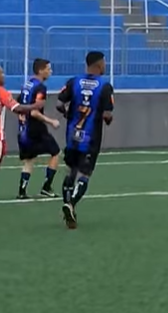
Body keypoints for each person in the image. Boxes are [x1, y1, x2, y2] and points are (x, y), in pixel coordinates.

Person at [56, 52, 114, 229]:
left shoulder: (73, 82)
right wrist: (107, 120)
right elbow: (107, 115)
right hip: (91, 138)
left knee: (70, 171)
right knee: (84, 174)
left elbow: (59, 104)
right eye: (104, 63)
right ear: (98, 64)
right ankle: (71, 204)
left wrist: (68, 114)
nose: (105, 66)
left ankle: (67, 206)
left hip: (72, 135)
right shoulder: (105, 86)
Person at [0, 64, 44, 208]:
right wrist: (35, 106)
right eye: (1, 73)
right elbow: (18, 108)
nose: (4, 76)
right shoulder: (0, 91)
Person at [17, 58, 62, 199]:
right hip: (35, 128)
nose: (50, 71)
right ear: (41, 70)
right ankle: (47, 187)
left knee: (29, 159)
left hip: (23, 129)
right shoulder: (40, 87)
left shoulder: (27, 84)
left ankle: (22, 191)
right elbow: (35, 112)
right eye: (48, 69)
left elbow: (19, 103)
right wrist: (51, 121)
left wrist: (21, 115)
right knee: (55, 152)